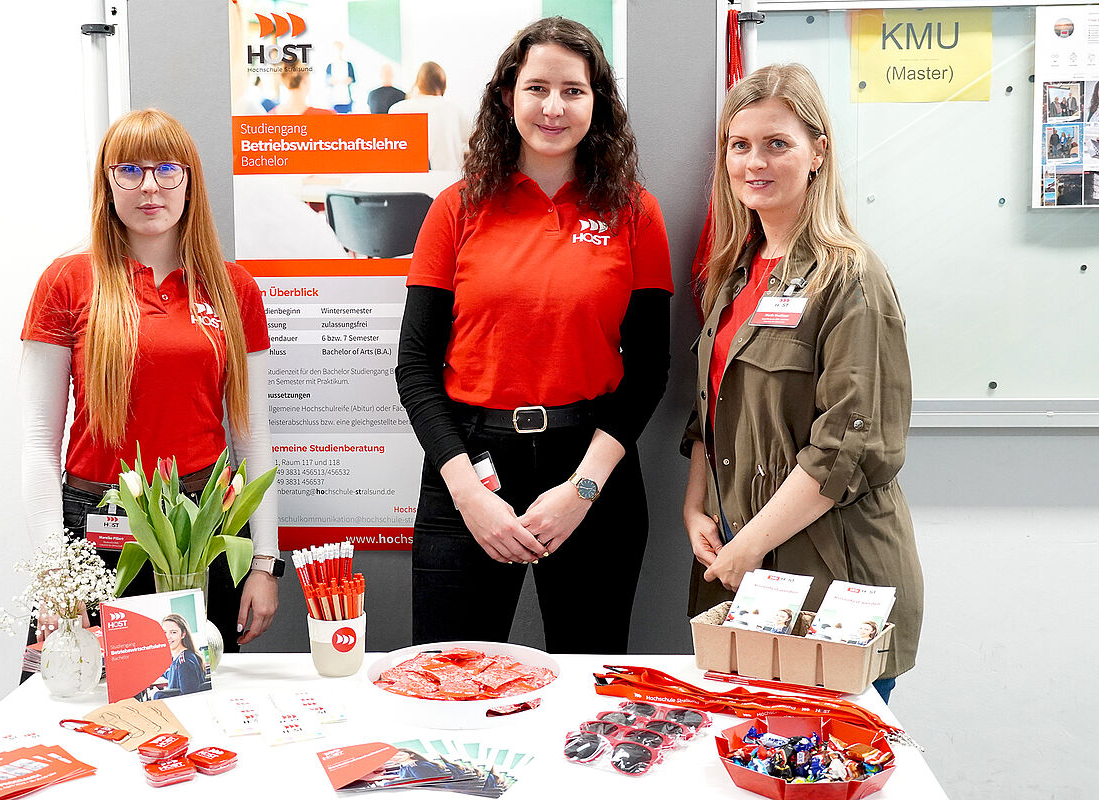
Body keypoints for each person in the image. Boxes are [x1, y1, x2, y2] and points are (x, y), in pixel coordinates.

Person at [396, 17, 672, 654]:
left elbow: (651, 367)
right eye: (537, 88)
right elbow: (415, 365)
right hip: (469, 465)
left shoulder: (634, 211)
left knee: (588, 687)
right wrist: (469, 497)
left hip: (591, 467)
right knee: (449, 679)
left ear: (597, 101)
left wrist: (582, 490)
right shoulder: (456, 208)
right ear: (507, 97)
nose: (554, 107)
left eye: (573, 91)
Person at [680, 64, 923, 703]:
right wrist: (695, 503)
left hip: (830, 574)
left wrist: (745, 548)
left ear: (818, 152)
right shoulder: (735, 272)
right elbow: (712, 405)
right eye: (740, 145)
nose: (754, 161)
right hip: (740, 559)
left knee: (820, 775)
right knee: (747, 763)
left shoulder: (851, 277)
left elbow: (848, 446)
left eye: (777, 144)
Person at [19, 109, 282, 657]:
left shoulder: (234, 289)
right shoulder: (67, 281)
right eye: (129, 171)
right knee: (85, 708)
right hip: (93, 535)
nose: (150, 187)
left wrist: (264, 564)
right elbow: (38, 447)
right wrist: (53, 577)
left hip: (202, 530)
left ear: (190, 180)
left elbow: (253, 438)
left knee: (197, 717)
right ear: (106, 182)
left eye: (167, 169)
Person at [388, 62, 471, 173]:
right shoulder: (454, 110)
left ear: (418, 83)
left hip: (407, 181)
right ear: (443, 85)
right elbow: (473, 143)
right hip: (447, 181)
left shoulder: (397, 109)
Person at [155, 614, 207, 697]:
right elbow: (174, 676)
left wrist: (157, 695)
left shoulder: (184, 661)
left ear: (183, 634)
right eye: (164, 632)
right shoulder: (179, 657)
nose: (168, 637)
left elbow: (189, 697)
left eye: (173, 632)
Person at [325, 41, 356, 113]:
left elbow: (353, 79)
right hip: (334, 99)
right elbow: (327, 81)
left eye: (340, 49)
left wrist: (347, 80)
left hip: (346, 98)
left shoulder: (348, 64)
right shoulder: (330, 66)